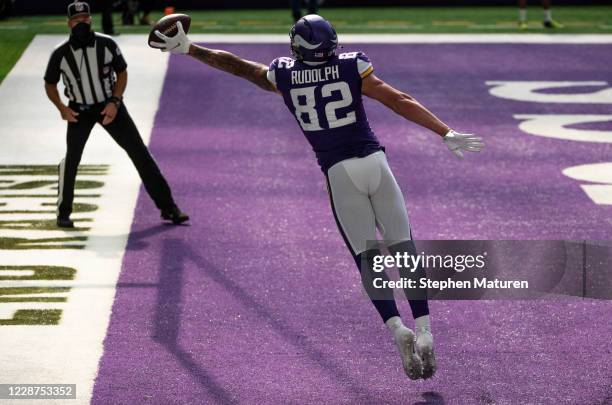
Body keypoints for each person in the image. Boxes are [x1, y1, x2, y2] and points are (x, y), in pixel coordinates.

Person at [150, 14, 483, 379]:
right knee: (404, 247)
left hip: (339, 174)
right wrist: (444, 131)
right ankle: (423, 329)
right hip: (375, 163)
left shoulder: (286, 75)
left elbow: (239, 67)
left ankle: (396, 330)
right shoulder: (352, 65)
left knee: (368, 260)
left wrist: (190, 49)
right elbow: (398, 99)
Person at [44, 1, 189, 228]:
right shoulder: (61, 53)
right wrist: (62, 108)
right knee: (71, 160)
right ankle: (63, 213)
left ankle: (169, 208)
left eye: (84, 18)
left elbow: (121, 72)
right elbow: (49, 83)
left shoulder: (107, 44)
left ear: (90, 19)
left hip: (109, 106)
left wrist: (115, 101)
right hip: (79, 110)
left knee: (140, 153)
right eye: (76, 20)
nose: (81, 23)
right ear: (69, 23)